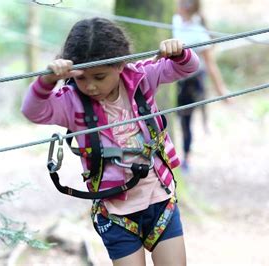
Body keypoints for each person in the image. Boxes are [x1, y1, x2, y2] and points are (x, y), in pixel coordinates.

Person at [22, 17, 199, 266]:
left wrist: (179, 52)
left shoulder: (141, 78)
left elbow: (188, 67)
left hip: (159, 200)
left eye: (100, 76)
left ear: (120, 65)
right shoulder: (71, 102)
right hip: (115, 213)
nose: (91, 86)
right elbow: (32, 111)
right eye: (82, 78)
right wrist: (47, 81)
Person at [173, 0, 229, 172]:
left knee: (186, 121)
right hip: (174, 79)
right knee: (173, 118)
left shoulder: (199, 33)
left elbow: (210, 64)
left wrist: (222, 91)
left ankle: (186, 158)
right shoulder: (175, 21)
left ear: (186, 6)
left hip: (192, 82)